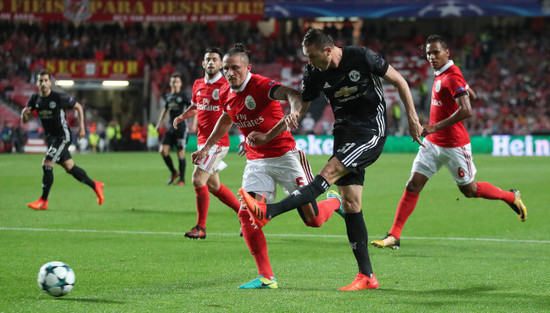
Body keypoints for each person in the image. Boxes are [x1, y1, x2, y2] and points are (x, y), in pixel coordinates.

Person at [238, 28, 424, 291]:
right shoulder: (314, 73)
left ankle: (269, 211)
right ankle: (367, 276)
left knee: (329, 172)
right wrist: (270, 134)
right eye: (306, 57)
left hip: (370, 130)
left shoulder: (362, 57)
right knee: (351, 204)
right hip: (343, 133)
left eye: (312, 56)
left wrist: (413, 121)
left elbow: (400, 82)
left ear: (328, 49)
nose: (309, 62)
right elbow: (300, 106)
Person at [192, 43, 343, 289]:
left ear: (248, 67)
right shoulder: (228, 93)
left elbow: (293, 94)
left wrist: (293, 112)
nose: (230, 73)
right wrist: (206, 148)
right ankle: (266, 276)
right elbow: (226, 119)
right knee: (246, 213)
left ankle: (336, 200)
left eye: (236, 68)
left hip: (286, 156)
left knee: (312, 220)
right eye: (227, 68)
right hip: (257, 160)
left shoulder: (261, 85)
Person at [371, 34, 527, 250]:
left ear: (447, 53)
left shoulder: (452, 76)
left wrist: (433, 126)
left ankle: (510, 197)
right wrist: (464, 92)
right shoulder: (442, 74)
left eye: (435, 52)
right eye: (428, 53)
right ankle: (394, 235)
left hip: (455, 145)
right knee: (413, 185)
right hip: (433, 144)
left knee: (469, 190)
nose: (432, 57)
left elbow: (467, 109)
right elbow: (469, 95)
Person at [172, 48, 242, 239]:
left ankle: (201, 228)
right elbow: (196, 106)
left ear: (221, 65)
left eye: (214, 60)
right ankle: (245, 214)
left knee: (197, 179)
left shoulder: (226, 86)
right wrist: (182, 117)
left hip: (218, 143)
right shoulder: (197, 84)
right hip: (203, 142)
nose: (211, 62)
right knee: (214, 186)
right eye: (207, 59)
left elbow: (233, 113)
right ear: (203, 64)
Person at [21, 70, 104, 210]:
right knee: (70, 167)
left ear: (50, 82)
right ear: (37, 83)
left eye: (46, 80)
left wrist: (82, 127)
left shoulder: (58, 97)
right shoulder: (34, 99)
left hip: (62, 136)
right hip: (51, 138)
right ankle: (96, 185)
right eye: (40, 81)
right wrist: (24, 115)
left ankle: (43, 201)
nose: (43, 83)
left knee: (47, 163)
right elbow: (25, 120)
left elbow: (78, 107)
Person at [155, 73, 191, 185]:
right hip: (171, 128)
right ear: (170, 83)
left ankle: (182, 180)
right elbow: (165, 110)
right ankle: (174, 172)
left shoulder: (183, 96)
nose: (175, 83)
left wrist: (194, 123)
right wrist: (159, 123)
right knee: (163, 151)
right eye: (173, 81)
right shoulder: (168, 97)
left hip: (181, 128)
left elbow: (193, 109)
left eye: (177, 81)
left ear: (180, 84)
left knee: (180, 153)